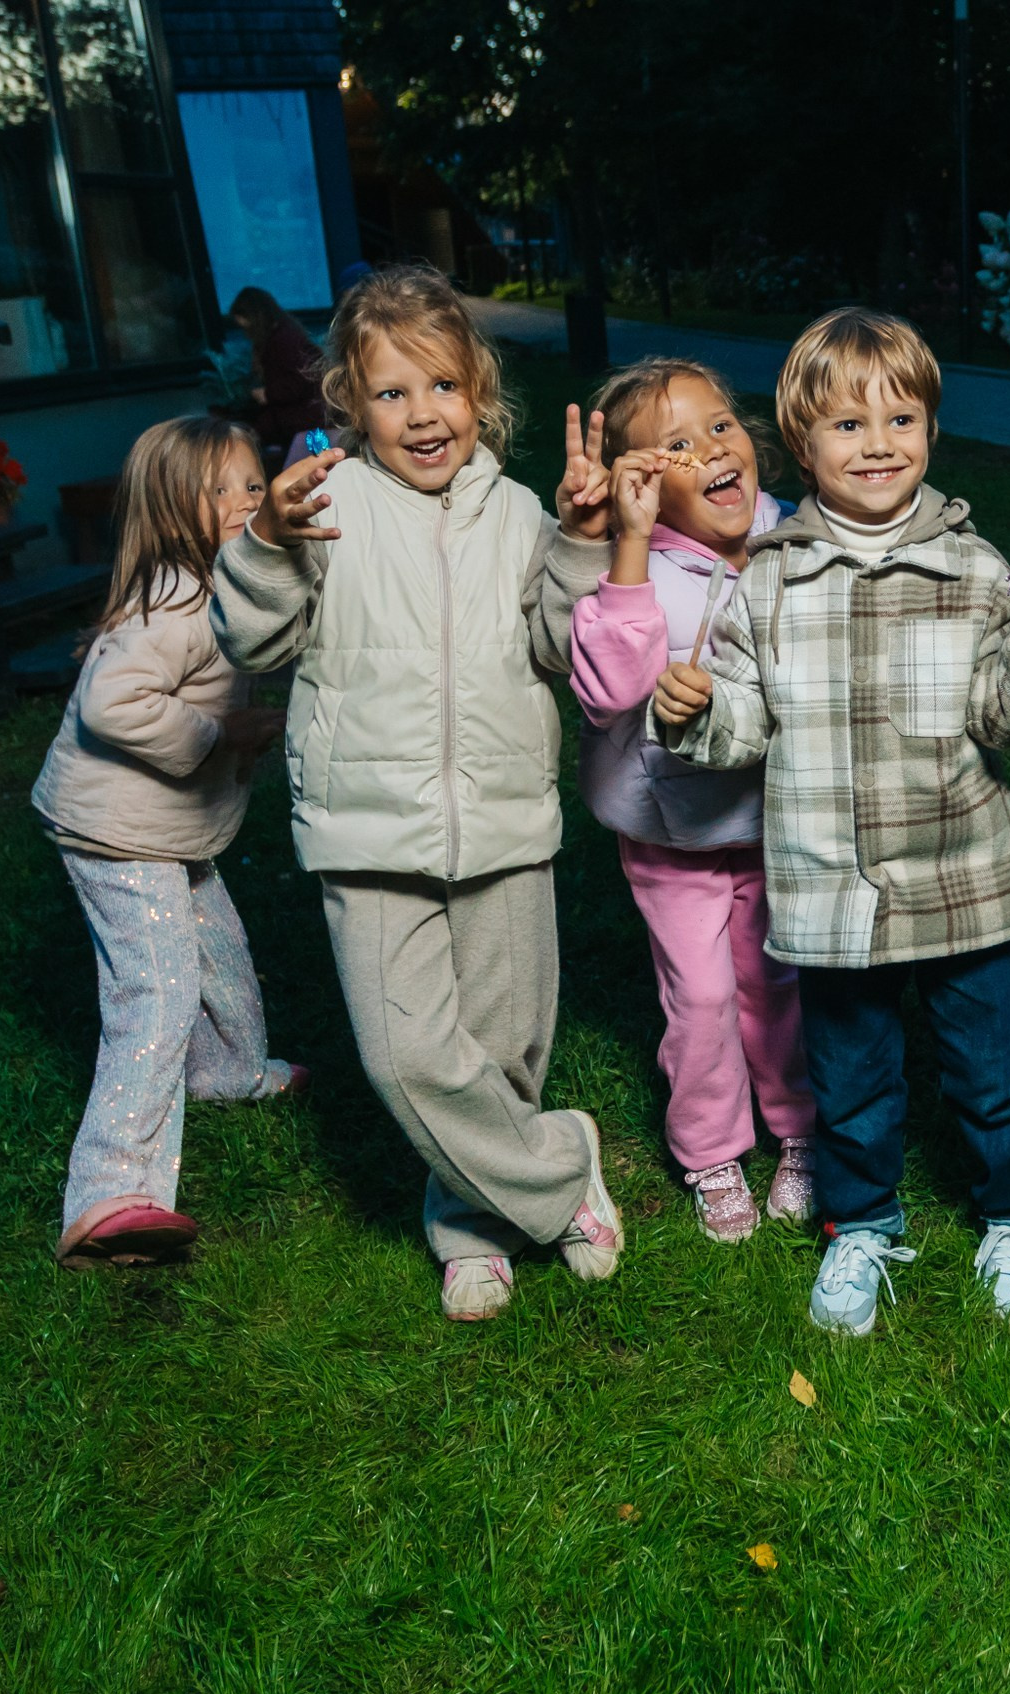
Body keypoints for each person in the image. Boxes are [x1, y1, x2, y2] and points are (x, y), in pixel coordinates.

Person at [647, 309, 1010, 1336]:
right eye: (849, 426)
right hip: (831, 885)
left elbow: (1009, 718)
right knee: (849, 1079)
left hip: (963, 877)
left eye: (902, 418)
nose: (880, 443)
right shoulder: (765, 579)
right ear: (800, 446)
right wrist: (692, 714)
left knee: (993, 1071)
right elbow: (742, 723)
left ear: (931, 431)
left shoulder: (980, 569)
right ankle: (861, 1224)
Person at [211, 263, 622, 1323]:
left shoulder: (523, 510)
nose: (421, 414)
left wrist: (578, 542)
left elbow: (562, 647)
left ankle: (470, 1227)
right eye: (390, 393)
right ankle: (565, 1168)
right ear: (349, 400)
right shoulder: (322, 505)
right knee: (406, 1061)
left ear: (480, 393)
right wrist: (263, 545)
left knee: (501, 1050)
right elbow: (250, 639)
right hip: (367, 828)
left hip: (503, 819)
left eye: (441, 386)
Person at [552, 357, 819, 1243]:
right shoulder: (645, 569)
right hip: (672, 835)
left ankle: (798, 1131)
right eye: (676, 444)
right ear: (643, 486)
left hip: (777, 820)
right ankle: (709, 1149)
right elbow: (608, 691)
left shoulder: (798, 537)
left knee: (776, 984)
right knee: (701, 997)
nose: (710, 448)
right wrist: (626, 543)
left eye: (720, 425)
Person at [32, 415, 304, 1270]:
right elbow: (111, 705)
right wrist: (218, 734)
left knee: (218, 949)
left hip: (166, 831)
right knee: (157, 990)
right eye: (217, 490)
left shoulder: (226, 583)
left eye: (251, 484)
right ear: (168, 508)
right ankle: (111, 1189)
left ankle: (229, 1072)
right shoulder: (179, 600)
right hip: (117, 832)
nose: (241, 502)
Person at [227, 286, 326, 465]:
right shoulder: (285, 334)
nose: (245, 331)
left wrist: (268, 394)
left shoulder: (282, 341)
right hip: (302, 418)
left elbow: (298, 383)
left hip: (302, 420)